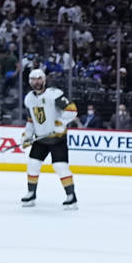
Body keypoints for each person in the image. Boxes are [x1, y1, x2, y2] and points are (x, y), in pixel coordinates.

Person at [20, 68, 78, 208]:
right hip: (41, 139)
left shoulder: (54, 94)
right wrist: (27, 135)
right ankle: (31, 194)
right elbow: (31, 119)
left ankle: (71, 197)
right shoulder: (29, 99)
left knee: (60, 166)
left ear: (44, 80)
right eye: (33, 79)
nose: (37, 82)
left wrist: (61, 123)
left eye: (39, 78)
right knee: (33, 164)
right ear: (29, 81)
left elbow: (72, 110)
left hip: (57, 139)